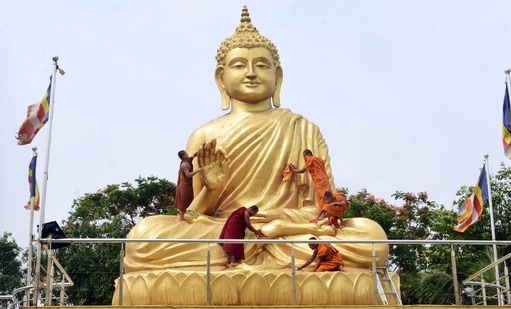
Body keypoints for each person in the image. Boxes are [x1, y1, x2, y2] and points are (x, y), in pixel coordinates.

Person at [123, 6, 388, 273]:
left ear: (278, 76)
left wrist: (280, 225)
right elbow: (192, 216)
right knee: (144, 236)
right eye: (239, 65)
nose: (251, 72)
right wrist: (212, 189)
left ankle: (250, 251)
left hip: (289, 233)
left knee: (372, 236)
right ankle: (255, 249)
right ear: (221, 79)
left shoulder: (303, 129)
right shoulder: (204, 136)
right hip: (225, 230)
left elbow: (320, 207)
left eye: (261, 65)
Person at [174, 150, 203, 221]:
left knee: (189, 199)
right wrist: (197, 171)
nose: (187, 155)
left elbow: (193, 155)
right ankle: (180, 218)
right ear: (183, 156)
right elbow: (188, 175)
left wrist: (199, 151)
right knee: (183, 201)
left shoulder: (188, 160)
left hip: (189, 185)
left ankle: (185, 216)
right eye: (186, 154)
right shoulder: (184, 165)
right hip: (184, 185)